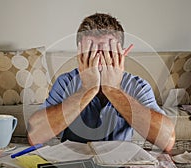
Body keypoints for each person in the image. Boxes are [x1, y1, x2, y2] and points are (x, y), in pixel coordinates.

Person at [27, 13, 175, 152]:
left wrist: (113, 90)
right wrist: (87, 90)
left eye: (107, 51)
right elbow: (35, 135)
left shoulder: (137, 85)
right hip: (74, 163)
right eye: (90, 51)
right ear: (80, 54)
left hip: (119, 164)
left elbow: (167, 141)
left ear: (122, 54)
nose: (98, 59)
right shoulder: (66, 82)